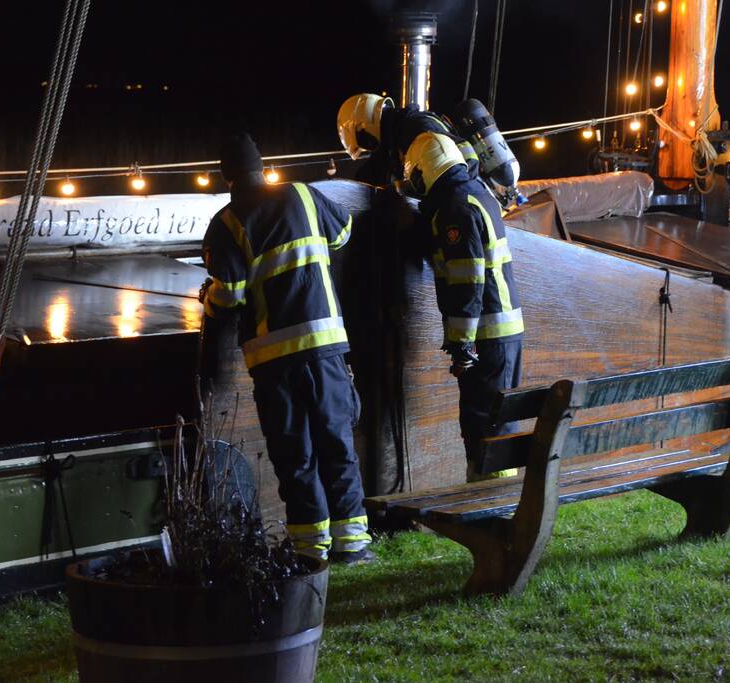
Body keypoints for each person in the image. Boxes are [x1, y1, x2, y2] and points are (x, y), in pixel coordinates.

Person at [198, 132, 374, 565]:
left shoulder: (226, 222)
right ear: (262, 166)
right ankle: (353, 544)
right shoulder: (302, 195)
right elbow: (343, 232)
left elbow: (229, 295)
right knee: (337, 443)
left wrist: (207, 298)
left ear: (227, 177)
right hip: (326, 347)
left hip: (274, 361)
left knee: (295, 453)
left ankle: (310, 549)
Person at [402, 131, 525, 482]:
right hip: (499, 332)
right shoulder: (476, 193)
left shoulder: (454, 208)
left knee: (486, 425)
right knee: (492, 422)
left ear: (424, 169)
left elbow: (467, 279)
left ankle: (491, 502)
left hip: (486, 335)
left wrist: (461, 347)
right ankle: (492, 496)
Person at [336, 93, 479, 187]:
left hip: (460, 204)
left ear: (364, 129)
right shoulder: (397, 133)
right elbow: (374, 169)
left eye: (365, 143)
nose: (371, 148)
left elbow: (467, 160)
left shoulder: (414, 129)